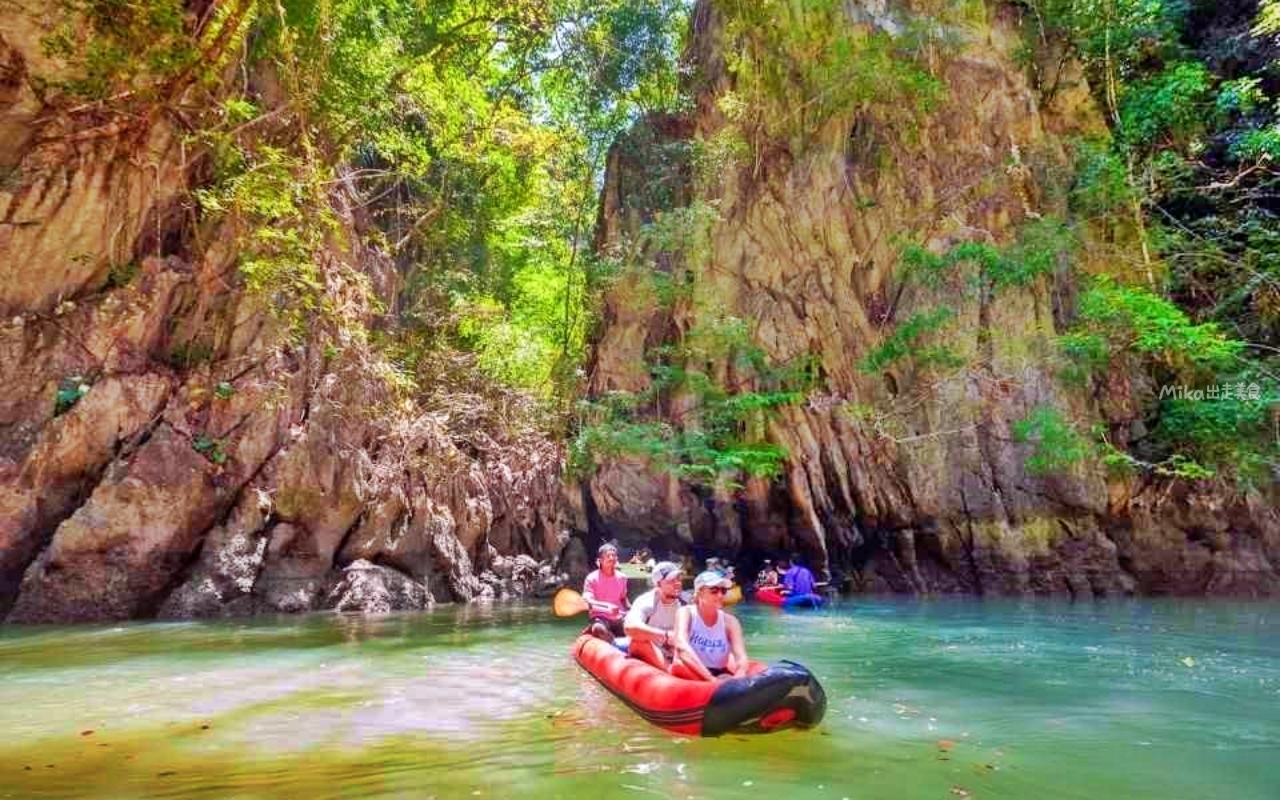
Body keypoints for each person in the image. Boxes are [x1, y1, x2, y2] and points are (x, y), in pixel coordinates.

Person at [671, 571, 750, 681]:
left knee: (726, 678)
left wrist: (740, 676)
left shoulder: (731, 622)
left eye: (723, 591)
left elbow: (741, 656)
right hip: (689, 670)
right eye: (714, 591)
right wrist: (710, 679)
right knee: (679, 666)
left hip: (718, 672)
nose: (720, 595)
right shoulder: (686, 613)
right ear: (699, 593)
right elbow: (681, 646)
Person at [623, 561, 687, 670]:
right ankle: (671, 672)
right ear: (658, 584)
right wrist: (666, 637)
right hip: (649, 648)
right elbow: (629, 628)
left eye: (678, 579)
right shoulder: (646, 602)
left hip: (672, 650)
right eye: (671, 580)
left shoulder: (685, 601)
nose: (677, 583)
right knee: (640, 642)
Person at [583, 543, 630, 642]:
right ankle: (614, 645)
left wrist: (633, 610)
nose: (611, 558)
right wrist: (607, 606)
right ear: (600, 560)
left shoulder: (622, 577)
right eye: (608, 556)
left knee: (634, 627)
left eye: (614, 555)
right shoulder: (591, 578)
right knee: (598, 629)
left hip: (619, 617)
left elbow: (623, 599)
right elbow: (588, 600)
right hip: (600, 617)